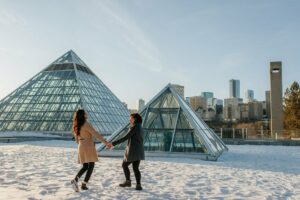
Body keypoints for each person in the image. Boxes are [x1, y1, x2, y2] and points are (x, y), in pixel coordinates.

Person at [71, 109, 110, 192]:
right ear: (83, 115)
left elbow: (76, 140)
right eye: (85, 113)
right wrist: (105, 142)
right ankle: (84, 184)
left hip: (81, 145)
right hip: (88, 145)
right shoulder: (86, 124)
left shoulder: (76, 124)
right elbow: (95, 133)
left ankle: (76, 180)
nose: (86, 113)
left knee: (85, 166)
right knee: (91, 165)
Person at [110, 113, 145, 190]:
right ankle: (138, 185)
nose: (129, 119)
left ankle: (128, 182)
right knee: (136, 168)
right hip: (139, 150)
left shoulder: (135, 127)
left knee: (124, 165)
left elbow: (126, 137)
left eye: (131, 118)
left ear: (135, 119)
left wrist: (113, 143)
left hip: (133, 150)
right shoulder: (139, 126)